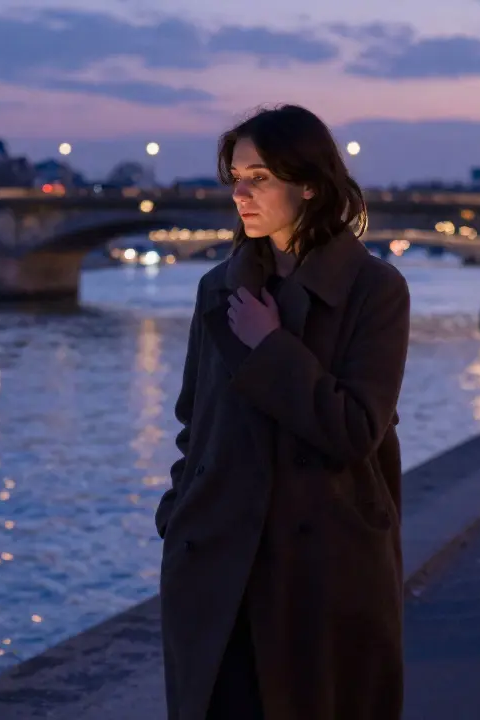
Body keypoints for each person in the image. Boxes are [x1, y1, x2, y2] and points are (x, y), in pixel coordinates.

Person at [154, 104, 410, 720]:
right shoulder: (217, 287)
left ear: (310, 185)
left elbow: (355, 430)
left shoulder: (375, 291)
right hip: (216, 561)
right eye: (236, 176)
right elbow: (196, 421)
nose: (240, 192)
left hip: (321, 571)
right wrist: (178, 515)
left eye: (260, 176)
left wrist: (271, 348)